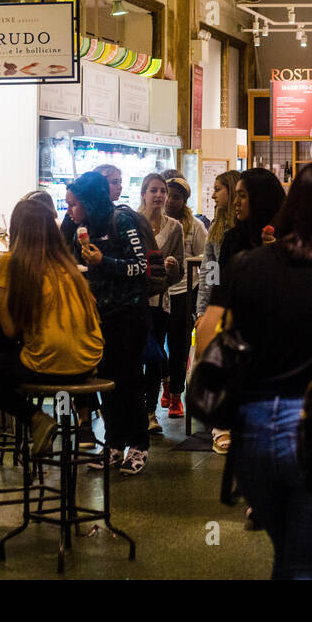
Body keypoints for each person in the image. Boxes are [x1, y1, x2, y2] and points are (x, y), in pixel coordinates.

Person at [193, 162, 312, 579]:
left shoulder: (247, 265)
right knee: (308, 566)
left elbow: (208, 334)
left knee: (289, 556)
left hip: (253, 431)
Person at [0, 199, 104, 458]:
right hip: (89, 365)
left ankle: (36, 419)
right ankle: (77, 425)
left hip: (49, 365)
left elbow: (8, 330)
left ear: (16, 230)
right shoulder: (69, 266)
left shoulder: (10, 263)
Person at [64, 170, 154, 474]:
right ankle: (114, 444)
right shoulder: (82, 228)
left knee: (129, 380)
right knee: (107, 382)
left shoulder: (121, 221)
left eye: (74, 204)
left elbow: (140, 267)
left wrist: (105, 262)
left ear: (90, 201)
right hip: (99, 316)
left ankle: (138, 446)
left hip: (128, 314)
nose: (70, 211)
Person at [196, 168, 239, 453]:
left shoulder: (252, 228)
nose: (212, 194)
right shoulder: (215, 231)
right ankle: (221, 427)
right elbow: (209, 274)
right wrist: (203, 311)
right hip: (221, 308)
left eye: (218, 189)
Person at [140, 173, 184, 430]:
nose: (158, 195)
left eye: (162, 191)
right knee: (134, 355)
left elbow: (178, 272)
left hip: (161, 300)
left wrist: (173, 267)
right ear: (144, 193)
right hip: (135, 301)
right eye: (153, 190)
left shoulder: (175, 228)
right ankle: (136, 409)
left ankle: (150, 412)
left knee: (155, 355)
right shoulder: (132, 222)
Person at [160, 175, 206, 418]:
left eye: (176, 197)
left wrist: (205, 300)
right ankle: (166, 380)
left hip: (185, 291)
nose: (169, 201)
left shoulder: (195, 226)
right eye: (167, 195)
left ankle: (177, 395)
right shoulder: (154, 222)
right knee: (156, 345)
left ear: (184, 200)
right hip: (158, 292)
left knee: (178, 345)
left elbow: (205, 260)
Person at [218, 168, 287, 271]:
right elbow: (219, 278)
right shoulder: (233, 238)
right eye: (236, 195)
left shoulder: (288, 237)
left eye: (242, 196)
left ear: (260, 198)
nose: (236, 202)